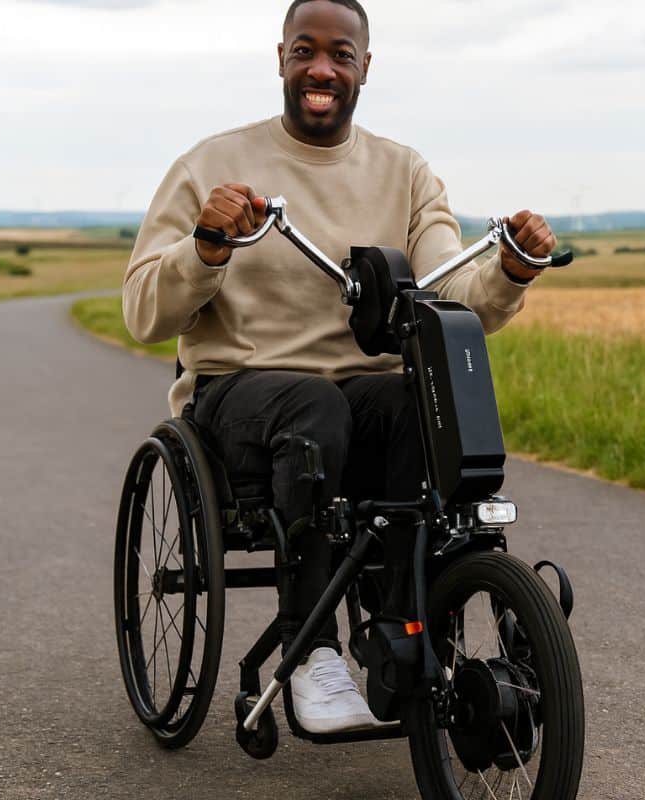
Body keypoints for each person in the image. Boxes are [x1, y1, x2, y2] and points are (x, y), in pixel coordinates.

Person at [122, 0, 558, 734]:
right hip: (241, 395)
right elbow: (142, 312)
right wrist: (204, 250)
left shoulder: (406, 173)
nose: (322, 68)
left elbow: (448, 294)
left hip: (354, 396)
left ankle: (398, 634)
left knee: (425, 396)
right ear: (283, 58)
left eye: (340, 54)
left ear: (364, 67)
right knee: (313, 408)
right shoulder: (210, 166)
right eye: (305, 50)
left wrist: (510, 272)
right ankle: (312, 653)